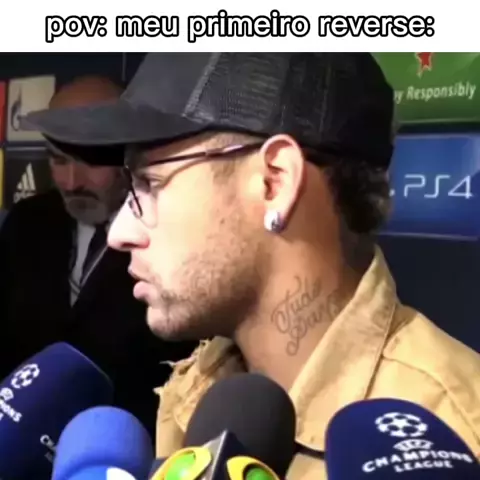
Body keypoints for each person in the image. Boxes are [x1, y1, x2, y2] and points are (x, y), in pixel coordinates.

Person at [22, 54, 480, 478]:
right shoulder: (196, 387)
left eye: (150, 184)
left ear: (274, 182)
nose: (120, 232)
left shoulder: (459, 428)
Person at [1, 75, 195, 437]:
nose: (72, 181)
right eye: (59, 160)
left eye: (91, 161)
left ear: (130, 153)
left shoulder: (170, 234)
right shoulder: (27, 222)